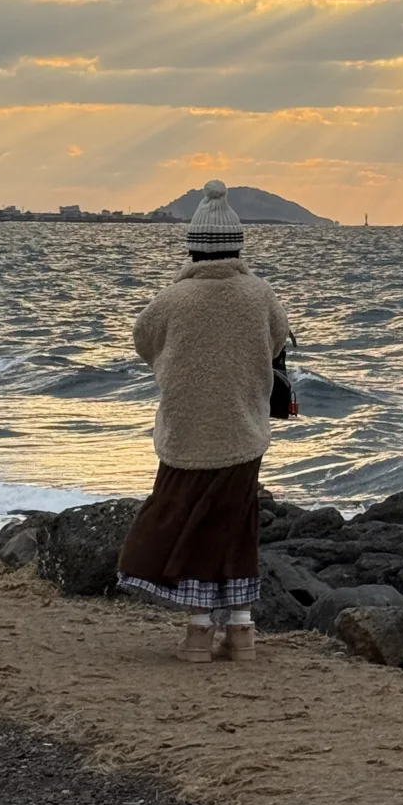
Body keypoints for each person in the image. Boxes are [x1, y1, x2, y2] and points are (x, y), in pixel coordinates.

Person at [117, 180, 290, 663]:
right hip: (243, 428)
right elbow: (277, 343)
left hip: (186, 430)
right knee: (236, 525)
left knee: (186, 521)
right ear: (238, 245)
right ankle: (241, 631)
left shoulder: (172, 300)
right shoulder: (260, 294)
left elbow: (144, 342)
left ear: (192, 246)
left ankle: (197, 632)